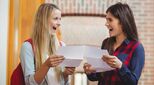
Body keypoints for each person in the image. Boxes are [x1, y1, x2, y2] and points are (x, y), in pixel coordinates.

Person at [83, 2, 145, 85]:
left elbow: (133, 82)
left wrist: (120, 66)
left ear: (123, 22)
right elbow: (99, 76)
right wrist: (90, 72)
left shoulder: (137, 48)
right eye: (106, 20)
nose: (106, 24)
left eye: (110, 20)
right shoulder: (106, 43)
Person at [20, 3, 75, 85]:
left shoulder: (62, 46)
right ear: (43, 20)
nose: (59, 23)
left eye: (60, 19)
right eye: (56, 18)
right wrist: (46, 65)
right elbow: (29, 83)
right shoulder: (28, 47)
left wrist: (66, 74)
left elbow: (64, 83)